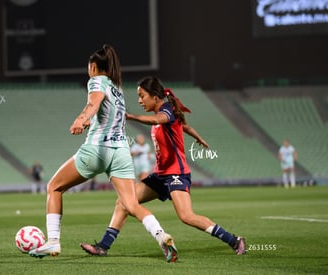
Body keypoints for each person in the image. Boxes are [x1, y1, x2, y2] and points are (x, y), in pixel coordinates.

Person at [29, 45, 176, 261]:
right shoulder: (118, 90)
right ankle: (161, 235)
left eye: (89, 67)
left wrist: (81, 119)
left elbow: (93, 103)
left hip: (98, 150)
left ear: (94, 66)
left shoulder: (96, 81)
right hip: (122, 153)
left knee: (54, 187)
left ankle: (52, 242)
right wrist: (90, 121)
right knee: (132, 205)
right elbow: (106, 115)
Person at [80, 76, 246, 259]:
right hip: (160, 176)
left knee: (186, 216)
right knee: (124, 202)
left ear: (155, 97)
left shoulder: (166, 111)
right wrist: (197, 137)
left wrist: (130, 116)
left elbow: (158, 120)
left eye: (142, 96)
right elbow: (184, 127)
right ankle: (103, 246)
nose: (139, 100)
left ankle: (235, 240)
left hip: (177, 174)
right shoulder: (165, 115)